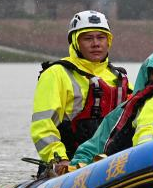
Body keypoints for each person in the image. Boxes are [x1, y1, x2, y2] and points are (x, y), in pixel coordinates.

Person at [30, 10, 130, 175]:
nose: (96, 44)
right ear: (75, 42)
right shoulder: (56, 74)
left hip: (109, 163)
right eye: (88, 38)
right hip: (68, 163)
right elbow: (43, 125)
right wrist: (59, 159)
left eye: (101, 37)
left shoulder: (118, 77)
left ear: (108, 41)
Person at [69, 49, 153, 167]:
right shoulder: (124, 111)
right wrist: (75, 169)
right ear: (146, 77)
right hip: (131, 170)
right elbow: (92, 148)